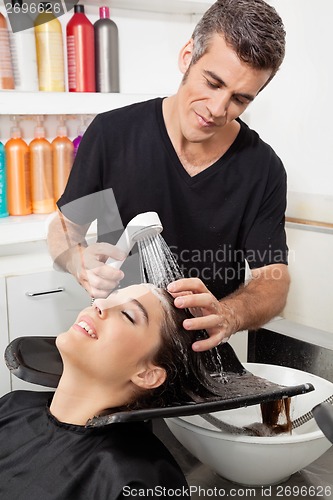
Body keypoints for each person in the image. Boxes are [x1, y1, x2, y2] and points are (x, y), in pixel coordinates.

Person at [47, 0, 290, 352]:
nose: (217, 109)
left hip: (204, 354)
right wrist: (75, 260)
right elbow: (64, 229)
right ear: (188, 56)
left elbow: (274, 281)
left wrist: (228, 314)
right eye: (212, 82)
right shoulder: (112, 134)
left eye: (239, 99)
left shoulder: (263, 167)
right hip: (117, 346)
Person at [0, 284, 216, 500]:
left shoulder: (137, 481)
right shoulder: (12, 406)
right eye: (110, 297)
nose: (100, 304)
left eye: (127, 314)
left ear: (147, 374)